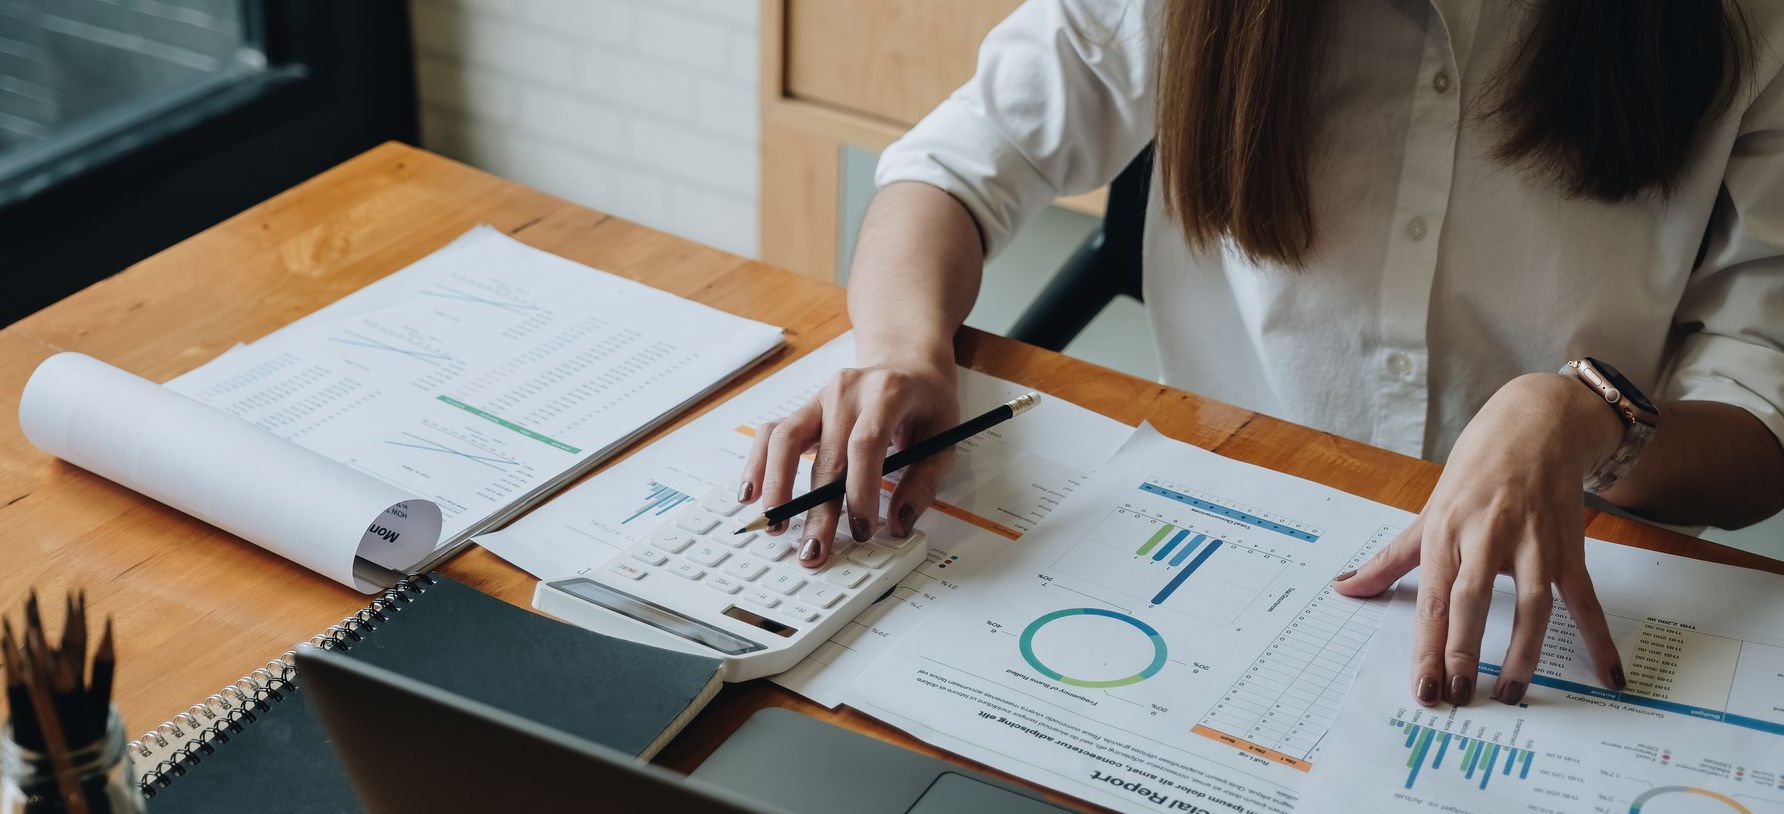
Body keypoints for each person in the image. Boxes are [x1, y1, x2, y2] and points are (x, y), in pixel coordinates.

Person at [737, 0, 1784, 708]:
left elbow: (1761, 409)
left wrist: (1589, 419)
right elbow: (958, 167)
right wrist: (903, 347)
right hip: (1222, 550)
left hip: (1565, 599)